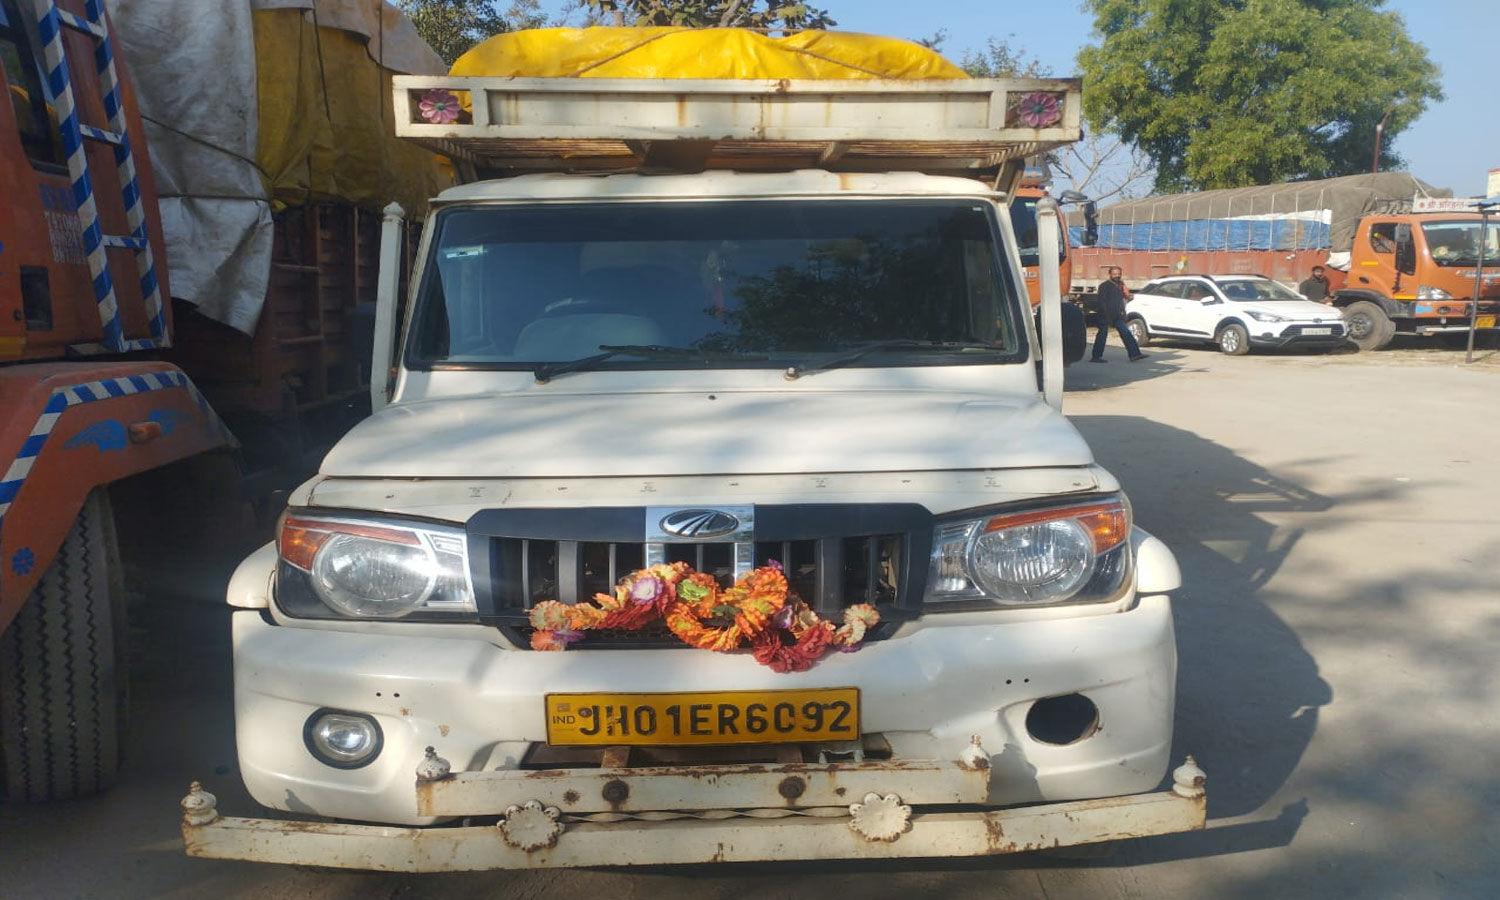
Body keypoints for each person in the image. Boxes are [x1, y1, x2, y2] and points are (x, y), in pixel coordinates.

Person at [1090, 266, 1145, 362]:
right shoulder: (1104, 286)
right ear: (1110, 274)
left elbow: (1122, 301)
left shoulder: (1120, 285)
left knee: (1126, 333)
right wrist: (1107, 316)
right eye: (1114, 274)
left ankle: (1135, 354)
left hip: (1117, 315)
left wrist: (1123, 313)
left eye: (1119, 274)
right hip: (1104, 315)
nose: (1117, 276)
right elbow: (1101, 302)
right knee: (1102, 335)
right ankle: (1096, 357)